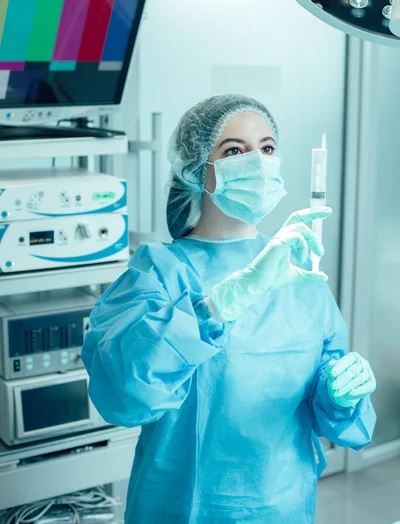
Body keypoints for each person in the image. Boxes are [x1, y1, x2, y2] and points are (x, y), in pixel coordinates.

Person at [82, 95, 376, 524]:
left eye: (268, 147)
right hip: (183, 506)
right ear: (196, 167)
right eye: (235, 150)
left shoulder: (297, 273)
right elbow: (124, 393)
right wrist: (217, 307)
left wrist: (341, 394)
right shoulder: (160, 271)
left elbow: (326, 409)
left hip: (283, 505)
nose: (257, 161)